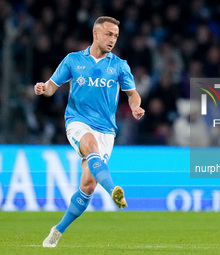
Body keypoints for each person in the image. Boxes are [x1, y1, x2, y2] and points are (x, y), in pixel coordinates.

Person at [34, 16, 145, 248]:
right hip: (78, 122)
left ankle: (57, 230)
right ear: (96, 34)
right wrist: (44, 88)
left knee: (87, 186)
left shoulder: (120, 65)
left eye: (115, 35)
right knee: (90, 146)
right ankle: (114, 189)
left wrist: (135, 106)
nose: (112, 39)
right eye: (108, 34)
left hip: (106, 130)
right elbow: (52, 87)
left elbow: (132, 93)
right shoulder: (74, 60)